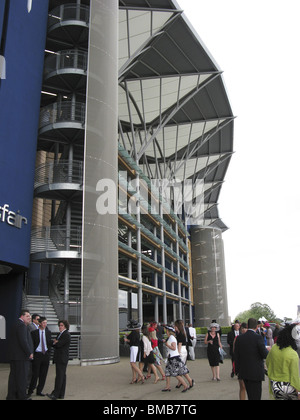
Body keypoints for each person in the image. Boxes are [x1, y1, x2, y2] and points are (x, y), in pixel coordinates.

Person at [234, 318, 269, 400]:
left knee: (249, 394)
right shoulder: (258, 337)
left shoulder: (239, 338)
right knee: (256, 396)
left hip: (244, 372)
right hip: (256, 372)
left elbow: (236, 355)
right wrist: (267, 350)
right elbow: (264, 354)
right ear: (257, 327)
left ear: (247, 326)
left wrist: (237, 371)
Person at [266, 324, 300, 400]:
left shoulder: (274, 348)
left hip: (274, 385)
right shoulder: (293, 354)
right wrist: (298, 392)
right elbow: (294, 376)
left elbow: (268, 362)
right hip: (288, 387)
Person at [6, 310, 34, 400]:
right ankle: (22, 397)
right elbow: (23, 341)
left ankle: (11, 396)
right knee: (22, 378)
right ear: (22, 316)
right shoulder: (22, 325)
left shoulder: (15, 324)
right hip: (22, 357)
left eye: (30, 316)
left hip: (14, 356)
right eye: (27, 316)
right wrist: (29, 352)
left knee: (14, 377)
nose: (29, 318)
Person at [162, 326, 194, 393]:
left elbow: (173, 348)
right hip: (172, 357)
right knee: (168, 372)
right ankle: (168, 386)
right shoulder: (171, 337)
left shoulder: (172, 338)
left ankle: (185, 385)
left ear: (168, 331)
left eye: (166, 330)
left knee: (176, 373)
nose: (165, 331)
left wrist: (167, 345)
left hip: (173, 357)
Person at [28, 316, 52, 397]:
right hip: (37, 355)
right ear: (40, 323)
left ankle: (39, 390)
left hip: (45, 355)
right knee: (35, 374)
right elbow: (31, 345)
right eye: (44, 322)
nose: (45, 324)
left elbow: (49, 344)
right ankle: (30, 390)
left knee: (43, 374)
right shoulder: (34, 333)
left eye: (46, 322)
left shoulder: (48, 332)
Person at [47, 320, 71, 400]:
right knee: (62, 376)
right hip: (60, 358)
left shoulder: (66, 334)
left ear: (65, 326)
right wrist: (55, 342)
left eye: (61, 325)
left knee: (59, 377)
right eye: (59, 325)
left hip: (62, 358)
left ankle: (55, 395)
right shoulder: (60, 334)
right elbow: (55, 343)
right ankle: (61, 394)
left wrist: (56, 342)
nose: (60, 327)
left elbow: (59, 344)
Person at [124, 320, 145, 384]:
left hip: (134, 347)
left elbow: (132, 341)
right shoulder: (137, 332)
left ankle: (141, 375)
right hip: (136, 348)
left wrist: (127, 340)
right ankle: (134, 377)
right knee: (133, 363)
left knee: (132, 363)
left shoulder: (133, 333)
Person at [233, 322, 248, 400]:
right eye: (243, 328)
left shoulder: (250, 338)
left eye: (245, 328)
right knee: (242, 386)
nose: (244, 330)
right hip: (241, 364)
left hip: (248, 365)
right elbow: (234, 352)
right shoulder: (237, 338)